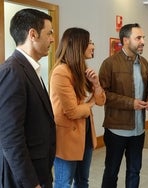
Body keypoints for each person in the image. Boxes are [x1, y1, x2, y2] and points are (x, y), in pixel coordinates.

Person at [0, 8, 56, 188]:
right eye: (49, 33)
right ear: (33, 34)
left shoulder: (30, 68)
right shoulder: (13, 71)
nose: (53, 39)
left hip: (39, 166)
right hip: (24, 177)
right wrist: (31, 183)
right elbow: (10, 137)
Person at [99, 23, 148, 188]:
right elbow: (103, 95)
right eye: (138, 38)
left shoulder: (145, 64)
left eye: (143, 37)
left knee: (134, 171)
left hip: (139, 130)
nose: (143, 41)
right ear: (125, 40)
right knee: (111, 171)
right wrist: (130, 103)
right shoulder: (109, 63)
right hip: (117, 129)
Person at [50, 27, 106, 188]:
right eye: (89, 42)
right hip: (67, 137)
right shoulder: (61, 72)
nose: (93, 46)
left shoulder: (82, 69)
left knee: (82, 181)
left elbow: (101, 101)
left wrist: (96, 84)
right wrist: (89, 104)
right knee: (63, 183)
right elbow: (72, 111)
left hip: (85, 135)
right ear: (77, 45)